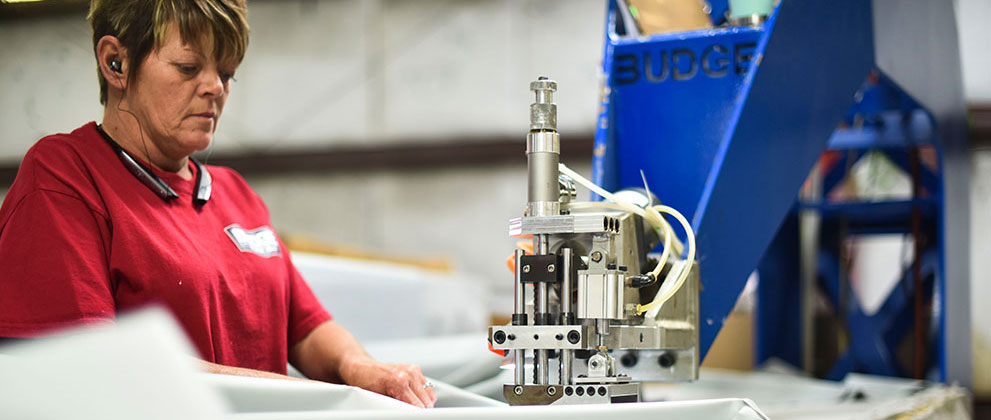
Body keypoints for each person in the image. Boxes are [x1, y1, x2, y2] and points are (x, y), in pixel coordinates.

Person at [0, 0, 436, 409]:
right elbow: (98, 366)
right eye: (189, 67)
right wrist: (310, 397)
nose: (214, 88)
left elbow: (306, 328)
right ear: (116, 62)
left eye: (226, 73)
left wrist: (359, 368)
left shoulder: (235, 193)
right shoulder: (66, 177)